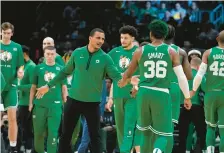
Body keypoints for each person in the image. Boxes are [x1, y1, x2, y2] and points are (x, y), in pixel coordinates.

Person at [36, 28, 122, 153]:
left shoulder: (105, 58)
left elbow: (117, 77)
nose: (100, 41)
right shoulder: (77, 53)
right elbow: (65, 72)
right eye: (98, 38)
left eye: (103, 39)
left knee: (95, 137)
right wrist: (48, 86)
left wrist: (130, 82)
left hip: (92, 104)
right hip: (74, 101)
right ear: (90, 38)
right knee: (66, 135)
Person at [118, 20, 192, 153]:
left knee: (145, 132)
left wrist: (124, 81)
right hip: (161, 93)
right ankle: (157, 150)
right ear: (164, 35)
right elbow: (182, 77)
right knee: (164, 134)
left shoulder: (140, 51)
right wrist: (187, 97)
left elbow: (128, 73)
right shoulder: (171, 52)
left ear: (151, 34)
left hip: (144, 93)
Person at [106, 25, 140, 153]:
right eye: (121, 38)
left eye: (126, 38)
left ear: (132, 38)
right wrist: (110, 98)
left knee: (129, 127)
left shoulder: (139, 52)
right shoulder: (114, 53)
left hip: (133, 96)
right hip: (118, 96)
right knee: (120, 128)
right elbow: (115, 80)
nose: (123, 40)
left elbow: (144, 76)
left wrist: (135, 84)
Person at [29, 46, 67, 153]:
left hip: (55, 106)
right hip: (40, 105)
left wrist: (66, 102)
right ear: (44, 54)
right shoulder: (38, 68)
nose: (50, 56)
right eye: (47, 54)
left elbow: (64, 88)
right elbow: (33, 87)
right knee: (38, 133)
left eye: (52, 54)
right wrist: (30, 103)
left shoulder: (61, 69)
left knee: (53, 133)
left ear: (55, 55)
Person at [191, 30, 224, 153]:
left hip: (210, 94)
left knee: (210, 126)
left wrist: (193, 90)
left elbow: (199, 74)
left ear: (216, 39)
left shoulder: (208, 52)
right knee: (223, 129)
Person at [1, 22, 24, 153]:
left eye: (9, 33)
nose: (6, 36)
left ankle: (13, 147)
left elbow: (20, 65)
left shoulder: (17, 47)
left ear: (12, 34)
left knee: (12, 117)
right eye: (4, 33)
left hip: (12, 86)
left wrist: (20, 71)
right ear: (1, 32)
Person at [164, 24, 192, 125]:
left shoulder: (148, 50)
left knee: (154, 127)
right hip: (173, 88)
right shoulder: (181, 52)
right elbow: (188, 76)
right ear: (173, 35)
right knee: (169, 127)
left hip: (154, 87)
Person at [178, 57, 207, 153]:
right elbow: (205, 88)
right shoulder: (199, 75)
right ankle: (204, 150)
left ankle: (185, 151)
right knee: (201, 131)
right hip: (196, 106)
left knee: (184, 132)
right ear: (199, 67)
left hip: (183, 105)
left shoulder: (183, 75)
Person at [16, 45, 36, 153]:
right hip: (21, 101)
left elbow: (34, 86)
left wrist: (19, 87)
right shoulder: (23, 66)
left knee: (26, 127)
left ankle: (28, 148)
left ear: (24, 54)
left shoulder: (32, 66)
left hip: (28, 102)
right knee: (21, 127)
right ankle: (22, 147)